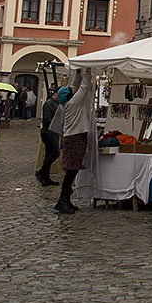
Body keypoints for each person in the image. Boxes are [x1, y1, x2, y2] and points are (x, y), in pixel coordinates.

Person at [55, 71, 96, 215]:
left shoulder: (66, 103)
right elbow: (84, 88)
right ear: (70, 96)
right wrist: (87, 72)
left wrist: (77, 73)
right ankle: (62, 200)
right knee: (71, 170)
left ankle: (65, 200)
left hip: (72, 137)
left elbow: (73, 86)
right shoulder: (73, 104)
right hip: (75, 137)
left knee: (72, 170)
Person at [35, 90, 62, 185]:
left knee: (48, 154)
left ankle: (46, 177)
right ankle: (41, 172)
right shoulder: (49, 104)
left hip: (54, 132)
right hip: (48, 132)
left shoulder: (57, 104)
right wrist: (55, 126)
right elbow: (47, 119)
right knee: (55, 153)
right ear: (55, 94)